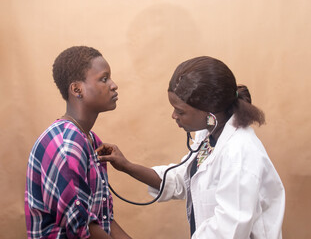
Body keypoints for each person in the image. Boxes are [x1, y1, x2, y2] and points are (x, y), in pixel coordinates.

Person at [96, 56, 285, 239]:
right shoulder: (210, 136)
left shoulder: (239, 153)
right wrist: (127, 166)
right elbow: (182, 179)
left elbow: (229, 231)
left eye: (180, 111)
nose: (174, 116)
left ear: (210, 113)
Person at [25, 46, 131, 239]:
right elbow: (83, 229)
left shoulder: (90, 139)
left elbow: (102, 219)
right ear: (76, 89)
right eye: (104, 78)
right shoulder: (67, 145)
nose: (114, 85)